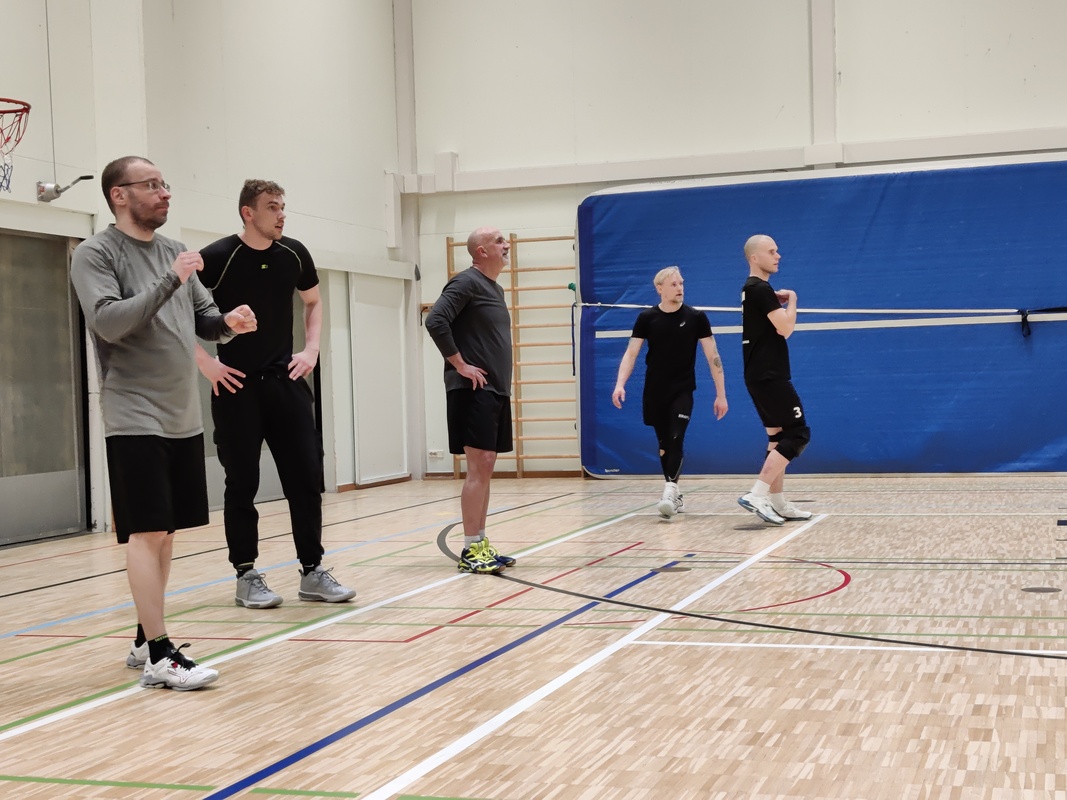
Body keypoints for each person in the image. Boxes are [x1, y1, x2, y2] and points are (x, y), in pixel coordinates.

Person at [70, 155, 257, 690]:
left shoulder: (175, 250)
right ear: (119, 195)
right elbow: (109, 322)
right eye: (151, 185)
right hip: (134, 412)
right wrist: (170, 279)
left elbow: (203, 320)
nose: (164, 193)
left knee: (166, 535)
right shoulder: (95, 253)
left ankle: (141, 637)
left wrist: (229, 323)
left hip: (181, 414)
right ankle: (158, 654)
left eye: (164, 183)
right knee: (146, 530)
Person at [196, 180, 356, 608]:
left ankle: (312, 571)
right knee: (242, 484)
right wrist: (205, 363)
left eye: (283, 206)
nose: (281, 214)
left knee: (305, 478)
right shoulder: (217, 257)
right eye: (272, 207)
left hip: (285, 382)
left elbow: (313, 302)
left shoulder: (294, 253)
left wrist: (311, 349)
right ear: (248, 212)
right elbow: (174, 312)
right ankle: (246, 574)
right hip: (236, 387)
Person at [425, 227, 518, 575]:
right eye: (499, 241)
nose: (506, 245)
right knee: (479, 466)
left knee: (487, 464)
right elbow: (435, 320)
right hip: (472, 389)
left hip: (495, 389)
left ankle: (480, 542)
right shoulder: (466, 282)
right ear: (481, 251)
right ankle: (469, 549)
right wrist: (460, 365)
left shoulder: (495, 288)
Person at [612, 267, 728, 517]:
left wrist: (721, 394)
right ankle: (676, 495)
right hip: (655, 392)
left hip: (682, 390)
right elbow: (631, 353)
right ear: (660, 289)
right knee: (665, 444)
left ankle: (669, 492)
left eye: (681, 283)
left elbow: (713, 357)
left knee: (676, 437)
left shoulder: (697, 317)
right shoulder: (647, 318)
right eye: (674, 284)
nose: (679, 288)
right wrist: (620, 384)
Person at [737, 234, 813, 525]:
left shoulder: (753, 290)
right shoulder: (759, 288)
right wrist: (793, 301)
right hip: (770, 374)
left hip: (759, 374)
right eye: (772, 251)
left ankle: (778, 502)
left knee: (777, 437)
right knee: (799, 434)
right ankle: (757, 494)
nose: (778, 255)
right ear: (755, 258)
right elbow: (785, 328)